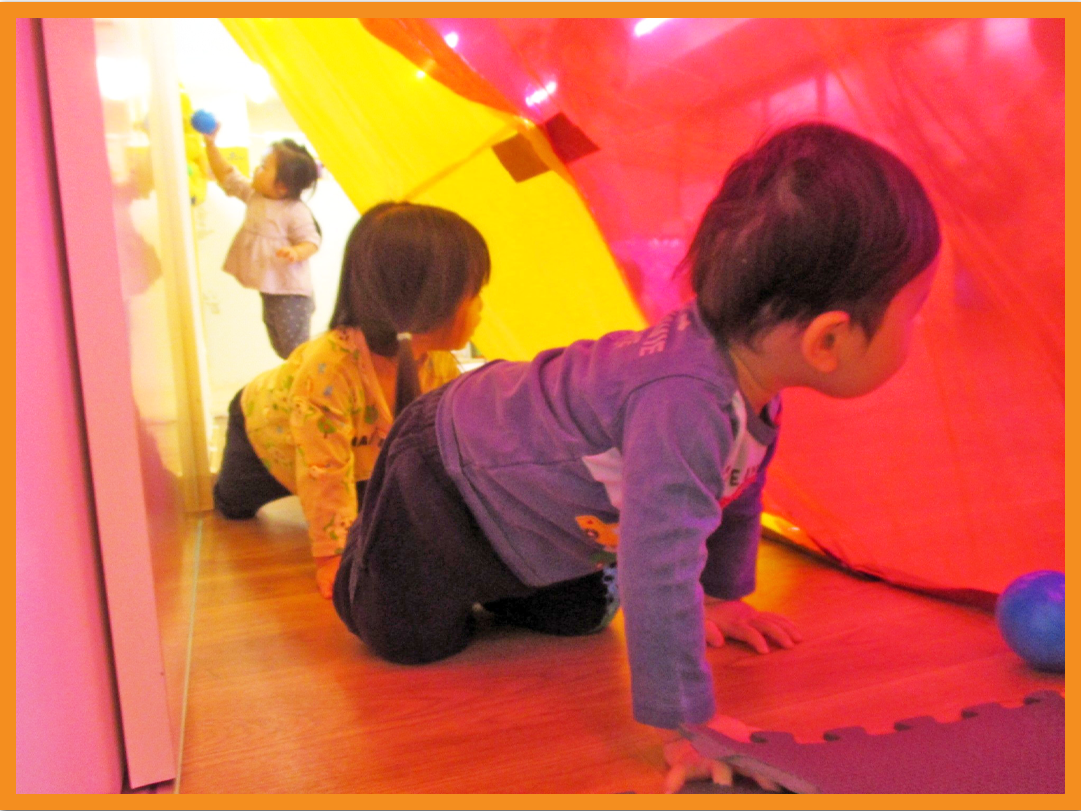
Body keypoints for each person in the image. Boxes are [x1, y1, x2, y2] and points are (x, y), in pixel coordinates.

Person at [332, 122, 941, 790]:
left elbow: (735, 494)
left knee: (580, 619)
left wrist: (722, 598)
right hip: (444, 466)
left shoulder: (751, 389)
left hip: (529, 511)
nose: (916, 326)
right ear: (828, 340)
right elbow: (658, 562)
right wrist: (687, 725)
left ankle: (493, 577)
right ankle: (370, 546)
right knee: (408, 638)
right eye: (912, 310)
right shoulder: (686, 400)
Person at [213, 202, 489, 598]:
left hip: (358, 450)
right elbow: (321, 471)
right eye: (474, 294)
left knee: (368, 507)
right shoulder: (330, 368)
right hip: (266, 434)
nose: (481, 307)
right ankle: (230, 490)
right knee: (235, 504)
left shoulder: (438, 364)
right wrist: (333, 557)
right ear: (427, 300)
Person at [203, 126, 322, 358]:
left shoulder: (294, 210)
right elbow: (226, 174)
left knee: (295, 349)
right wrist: (210, 144)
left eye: (264, 166)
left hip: (291, 293)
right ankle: (296, 371)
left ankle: (306, 373)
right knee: (279, 344)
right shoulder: (254, 195)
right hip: (270, 288)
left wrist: (296, 252)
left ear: (282, 186)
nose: (256, 169)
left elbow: (311, 240)